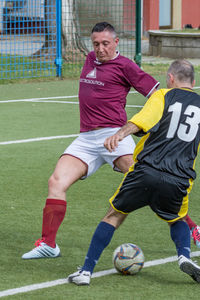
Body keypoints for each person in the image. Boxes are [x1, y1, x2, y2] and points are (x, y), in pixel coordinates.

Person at [22, 23, 199, 259]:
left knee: (148, 178)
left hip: (116, 136)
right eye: (96, 44)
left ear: (116, 43)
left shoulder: (126, 66)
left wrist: (149, 127)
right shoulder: (89, 60)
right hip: (86, 139)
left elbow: (158, 94)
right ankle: (48, 244)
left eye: (105, 43)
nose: (100, 48)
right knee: (56, 181)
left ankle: (193, 228)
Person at [68, 59, 200, 286]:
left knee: (114, 215)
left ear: (170, 79)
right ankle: (184, 256)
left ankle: (86, 272)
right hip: (179, 177)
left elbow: (142, 121)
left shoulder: (163, 95)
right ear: (193, 81)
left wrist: (119, 134)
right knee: (176, 218)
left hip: (145, 170)